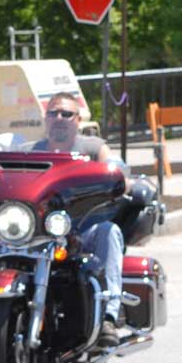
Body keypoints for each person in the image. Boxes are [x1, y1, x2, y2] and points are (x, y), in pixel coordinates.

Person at [33, 90, 123, 346]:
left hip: (83, 232)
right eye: (53, 113)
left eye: (66, 113)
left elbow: (117, 173)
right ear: (45, 118)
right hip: (40, 234)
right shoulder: (31, 152)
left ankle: (109, 316)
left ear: (78, 120)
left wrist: (120, 176)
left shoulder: (93, 148)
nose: (59, 118)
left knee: (108, 231)